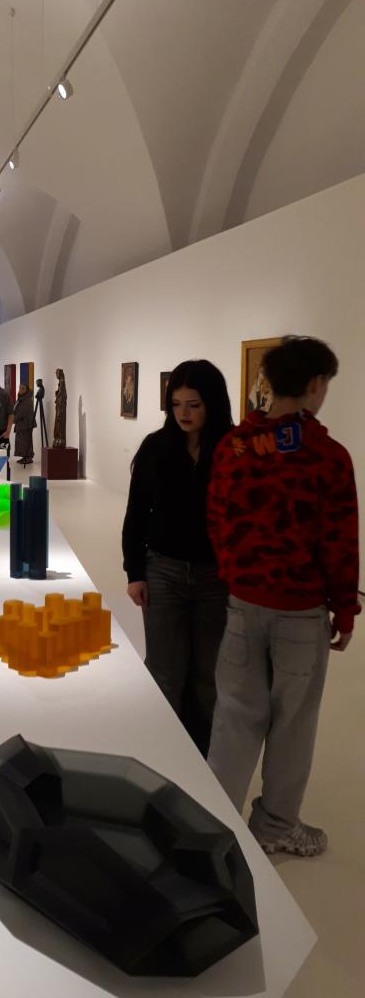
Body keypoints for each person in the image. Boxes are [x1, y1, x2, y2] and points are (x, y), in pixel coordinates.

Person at [207, 336, 359, 857]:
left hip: (242, 605)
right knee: (293, 725)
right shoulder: (327, 457)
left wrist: (235, 576)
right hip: (300, 612)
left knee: (234, 717)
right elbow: (339, 540)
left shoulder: (234, 448)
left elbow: (217, 520)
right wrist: (345, 610)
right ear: (316, 384)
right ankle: (275, 828)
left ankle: (215, 829)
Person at [122, 360, 234, 756]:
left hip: (216, 577)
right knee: (164, 672)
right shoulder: (157, 447)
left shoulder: (234, 449)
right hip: (164, 572)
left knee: (209, 678)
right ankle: (163, 756)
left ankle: (201, 760)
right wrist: (135, 572)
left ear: (213, 404)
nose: (183, 413)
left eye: (194, 405)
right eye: (176, 404)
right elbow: (137, 514)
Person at [13, 383, 36, 466]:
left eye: (23, 388)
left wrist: (13, 419)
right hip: (21, 424)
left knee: (25, 441)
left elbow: (22, 412)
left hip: (26, 424)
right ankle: (25, 457)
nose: (20, 390)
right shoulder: (21, 398)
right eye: (20, 388)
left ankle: (28, 457)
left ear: (26, 390)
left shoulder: (27, 400)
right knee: (22, 441)